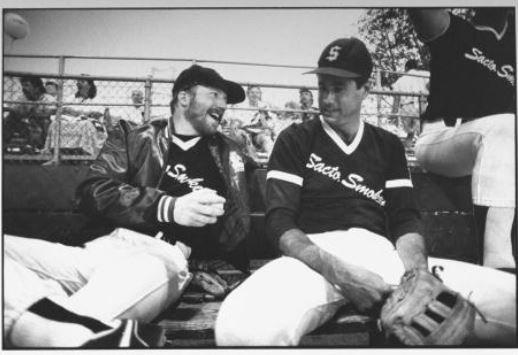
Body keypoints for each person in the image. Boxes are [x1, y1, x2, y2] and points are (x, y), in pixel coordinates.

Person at [215, 37, 516, 346]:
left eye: (339, 88)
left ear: (364, 89)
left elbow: (405, 219)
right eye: (323, 86)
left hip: (380, 255)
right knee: (238, 328)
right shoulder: (295, 139)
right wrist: (339, 273)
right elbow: (279, 222)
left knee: (510, 300)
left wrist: (417, 275)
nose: (327, 98)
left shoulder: (387, 145)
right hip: (314, 258)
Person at [4, 65, 251, 348]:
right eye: (215, 94)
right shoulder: (133, 136)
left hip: (159, 257)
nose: (223, 105)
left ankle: (46, 315)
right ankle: (57, 318)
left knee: (77, 316)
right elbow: (92, 191)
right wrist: (167, 206)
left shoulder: (229, 153)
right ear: (184, 98)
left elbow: (238, 220)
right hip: (98, 248)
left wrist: (203, 264)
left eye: (225, 99)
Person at [409, 8, 516, 271]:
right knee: (504, 126)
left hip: (493, 151)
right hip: (441, 138)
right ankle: (497, 261)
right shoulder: (458, 30)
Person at [4, 75, 56, 148]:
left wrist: (33, 112)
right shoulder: (24, 98)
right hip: (28, 128)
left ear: (36, 87)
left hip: (42, 130)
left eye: (27, 85)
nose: (24, 88)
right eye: (23, 85)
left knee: (44, 121)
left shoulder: (48, 99)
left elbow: (51, 113)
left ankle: (39, 146)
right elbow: (15, 110)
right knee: (11, 117)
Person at [391, 59, 429, 140]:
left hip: (406, 108)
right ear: (417, 67)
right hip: (421, 106)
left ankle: (408, 147)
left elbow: (396, 99)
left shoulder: (400, 80)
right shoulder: (425, 75)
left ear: (406, 68)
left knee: (410, 134)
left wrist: (393, 114)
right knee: (423, 134)